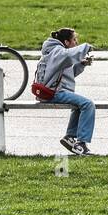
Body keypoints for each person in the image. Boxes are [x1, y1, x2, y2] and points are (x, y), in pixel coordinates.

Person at [35, 27, 95, 155]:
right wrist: (85, 47)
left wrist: (81, 64)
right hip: (54, 93)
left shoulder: (57, 52)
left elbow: (68, 75)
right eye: (74, 40)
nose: (76, 42)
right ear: (66, 42)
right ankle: (81, 143)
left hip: (53, 91)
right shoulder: (58, 51)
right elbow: (68, 55)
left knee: (79, 105)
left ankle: (70, 137)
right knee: (88, 104)